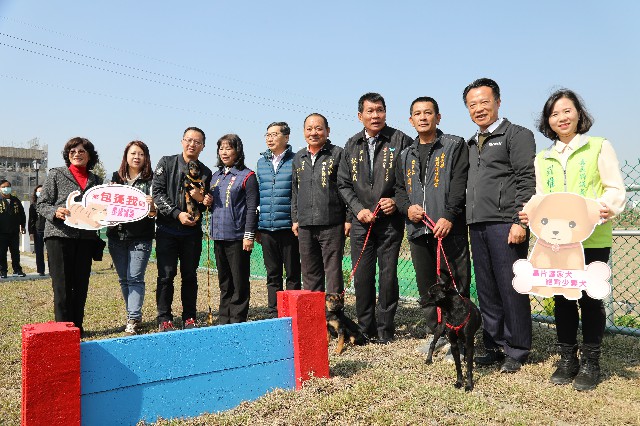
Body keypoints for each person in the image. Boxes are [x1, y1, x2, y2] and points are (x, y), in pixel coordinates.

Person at [520, 89, 626, 390]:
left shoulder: (598, 147)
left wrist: (606, 207)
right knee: (563, 298)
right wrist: (530, 212)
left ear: (579, 113)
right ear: (548, 121)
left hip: (592, 237)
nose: (561, 118)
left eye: (567, 111)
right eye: (554, 114)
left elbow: (615, 188)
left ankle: (592, 361)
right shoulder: (544, 158)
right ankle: (567, 357)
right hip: (557, 241)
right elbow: (541, 196)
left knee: (591, 299)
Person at [462, 78, 536, 372]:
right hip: (477, 223)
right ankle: (493, 345)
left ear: (498, 102)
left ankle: (517, 349)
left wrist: (520, 220)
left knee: (512, 287)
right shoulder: (471, 143)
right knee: (487, 288)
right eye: (472, 105)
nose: (479, 109)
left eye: (484, 102)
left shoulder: (516, 135)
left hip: (506, 223)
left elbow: (526, 180)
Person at [394, 97, 471, 357]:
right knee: (427, 287)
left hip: (449, 228)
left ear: (438, 117)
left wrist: (449, 215)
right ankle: (436, 333)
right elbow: (399, 190)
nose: (423, 117)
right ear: (411, 120)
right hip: (418, 230)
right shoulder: (405, 154)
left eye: (428, 113)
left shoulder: (454, 145)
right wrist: (407, 209)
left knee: (457, 286)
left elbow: (460, 184)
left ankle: (458, 339)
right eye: (417, 113)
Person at [338, 93, 412, 344]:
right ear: (360, 116)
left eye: (379, 110)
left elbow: (411, 179)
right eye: (370, 111)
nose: (375, 116)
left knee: (388, 275)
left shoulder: (400, 140)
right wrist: (357, 209)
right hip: (362, 221)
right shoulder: (351, 144)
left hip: (389, 220)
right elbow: (344, 185)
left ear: (386, 113)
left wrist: (396, 201)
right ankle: (365, 326)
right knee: (363, 276)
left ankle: (385, 328)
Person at [37, 137, 104, 334]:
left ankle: (78, 328)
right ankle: (64, 330)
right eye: (72, 151)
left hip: (85, 239)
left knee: (81, 284)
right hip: (59, 236)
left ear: (89, 155)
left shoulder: (97, 181)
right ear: (68, 155)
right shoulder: (56, 174)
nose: (77, 154)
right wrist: (55, 212)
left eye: (81, 151)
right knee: (62, 286)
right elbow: (41, 204)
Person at [153, 127, 213, 332]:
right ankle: (164, 318)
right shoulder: (166, 163)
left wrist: (206, 201)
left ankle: (189, 317)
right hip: (167, 229)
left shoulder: (206, 172)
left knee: (190, 275)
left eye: (197, 142)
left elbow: (206, 204)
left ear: (203, 146)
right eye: (189, 140)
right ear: (182, 142)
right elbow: (158, 193)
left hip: (192, 233)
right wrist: (177, 213)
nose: (192, 144)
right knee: (166, 275)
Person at [292, 113, 349, 296]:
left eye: (318, 128)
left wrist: (348, 219)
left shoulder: (338, 154)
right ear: (303, 132)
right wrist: (295, 218)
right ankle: (314, 318)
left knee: (333, 272)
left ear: (327, 131)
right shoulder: (299, 157)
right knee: (309, 273)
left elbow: (346, 188)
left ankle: (334, 318)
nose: (314, 133)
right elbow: (294, 190)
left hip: (332, 223)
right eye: (309, 129)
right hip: (305, 224)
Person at [107, 141, 156, 335]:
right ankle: (132, 314)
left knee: (135, 277)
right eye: (133, 153)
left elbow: (154, 214)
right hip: (116, 235)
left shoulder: (151, 181)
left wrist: (151, 206)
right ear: (126, 156)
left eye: (141, 154)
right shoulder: (114, 178)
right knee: (123, 279)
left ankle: (133, 318)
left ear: (146, 158)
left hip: (140, 236)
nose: (137, 157)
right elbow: (105, 208)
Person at [210, 134, 259, 324]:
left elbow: (252, 208)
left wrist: (249, 236)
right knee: (224, 281)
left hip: (238, 237)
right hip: (218, 236)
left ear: (238, 151)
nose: (224, 152)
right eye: (221, 148)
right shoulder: (216, 177)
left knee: (239, 281)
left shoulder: (247, 176)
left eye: (228, 148)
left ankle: (238, 318)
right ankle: (224, 319)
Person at [256, 122, 301, 317]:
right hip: (266, 227)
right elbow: (259, 194)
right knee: (272, 274)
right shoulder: (261, 162)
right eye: (267, 134)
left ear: (286, 137)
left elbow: (298, 193)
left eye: (274, 134)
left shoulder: (296, 160)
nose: (270, 138)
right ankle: (273, 312)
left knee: (292, 273)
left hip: (289, 227)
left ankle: (292, 311)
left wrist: (296, 219)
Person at [0, 179, 26, 278]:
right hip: (1, 232)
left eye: (7, 187)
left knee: (15, 252)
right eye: (3, 187)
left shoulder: (15, 200)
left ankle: (17, 270)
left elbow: (22, 214)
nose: (6, 189)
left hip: (14, 231)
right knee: (2, 253)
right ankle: (3, 271)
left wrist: (22, 225)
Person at [28, 185, 46, 276]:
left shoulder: (49, 204)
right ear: (35, 193)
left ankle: (52, 270)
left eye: (42, 191)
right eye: (38, 191)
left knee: (51, 252)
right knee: (39, 251)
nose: (40, 192)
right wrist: (31, 232)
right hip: (38, 230)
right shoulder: (33, 205)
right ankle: (41, 270)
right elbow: (31, 219)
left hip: (49, 230)